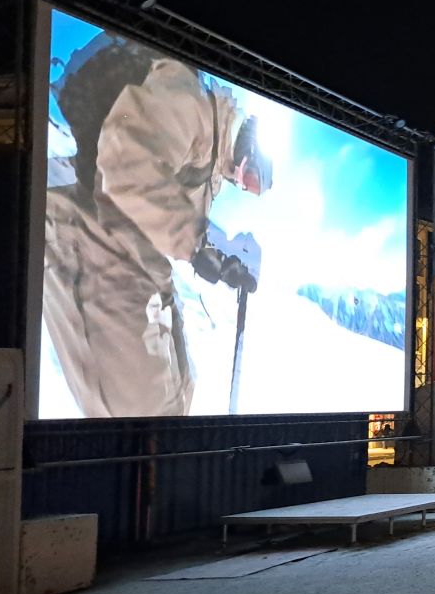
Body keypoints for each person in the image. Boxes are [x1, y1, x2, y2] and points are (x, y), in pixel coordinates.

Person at [45, 35, 274, 418]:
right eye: (250, 177)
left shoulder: (209, 167)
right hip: (90, 226)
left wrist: (224, 256)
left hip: (137, 253)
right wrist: (200, 245)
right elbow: (127, 165)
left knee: (181, 391)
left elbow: (167, 214)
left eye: (251, 189)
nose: (243, 184)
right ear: (249, 147)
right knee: (143, 408)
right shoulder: (191, 101)